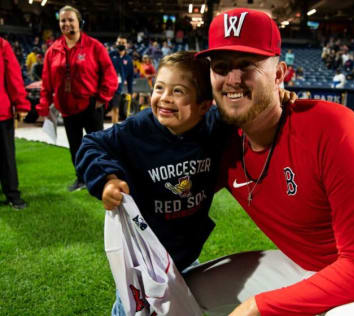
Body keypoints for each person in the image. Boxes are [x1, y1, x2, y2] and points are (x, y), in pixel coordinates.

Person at [185, 8, 354, 316]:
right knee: (180, 293)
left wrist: (259, 306)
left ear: (280, 75)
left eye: (248, 65)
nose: (233, 78)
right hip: (305, 265)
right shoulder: (222, 138)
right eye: (222, 66)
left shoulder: (333, 128)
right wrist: (113, 177)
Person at [75, 50, 230, 316]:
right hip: (143, 259)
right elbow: (91, 144)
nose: (165, 98)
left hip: (187, 254)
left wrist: (280, 98)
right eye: (160, 87)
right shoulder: (138, 129)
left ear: (205, 106)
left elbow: (251, 117)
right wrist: (107, 180)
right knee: (132, 309)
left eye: (178, 91)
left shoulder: (213, 126)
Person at [36, 5, 117, 192]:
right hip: (66, 107)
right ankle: (81, 178)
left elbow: (110, 75)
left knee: (97, 145)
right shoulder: (52, 50)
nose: (67, 23)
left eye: (70, 19)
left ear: (79, 22)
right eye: (63, 20)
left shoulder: (94, 46)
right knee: (75, 147)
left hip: (91, 105)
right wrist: (44, 105)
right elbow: (46, 82)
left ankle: (103, 177)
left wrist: (101, 98)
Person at [0, 37, 30, 210]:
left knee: (6, 157)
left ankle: (12, 194)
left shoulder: (2, 45)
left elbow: (13, 76)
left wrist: (21, 104)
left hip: (1, 112)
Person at [109, 34, 134, 123]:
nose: (121, 44)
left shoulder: (129, 60)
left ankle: (114, 130)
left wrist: (130, 91)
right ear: (116, 43)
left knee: (116, 109)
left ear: (127, 45)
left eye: (123, 43)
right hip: (106, 87)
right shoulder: (110, 55)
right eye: (119, 42)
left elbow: (130, 77)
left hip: (117, 88)